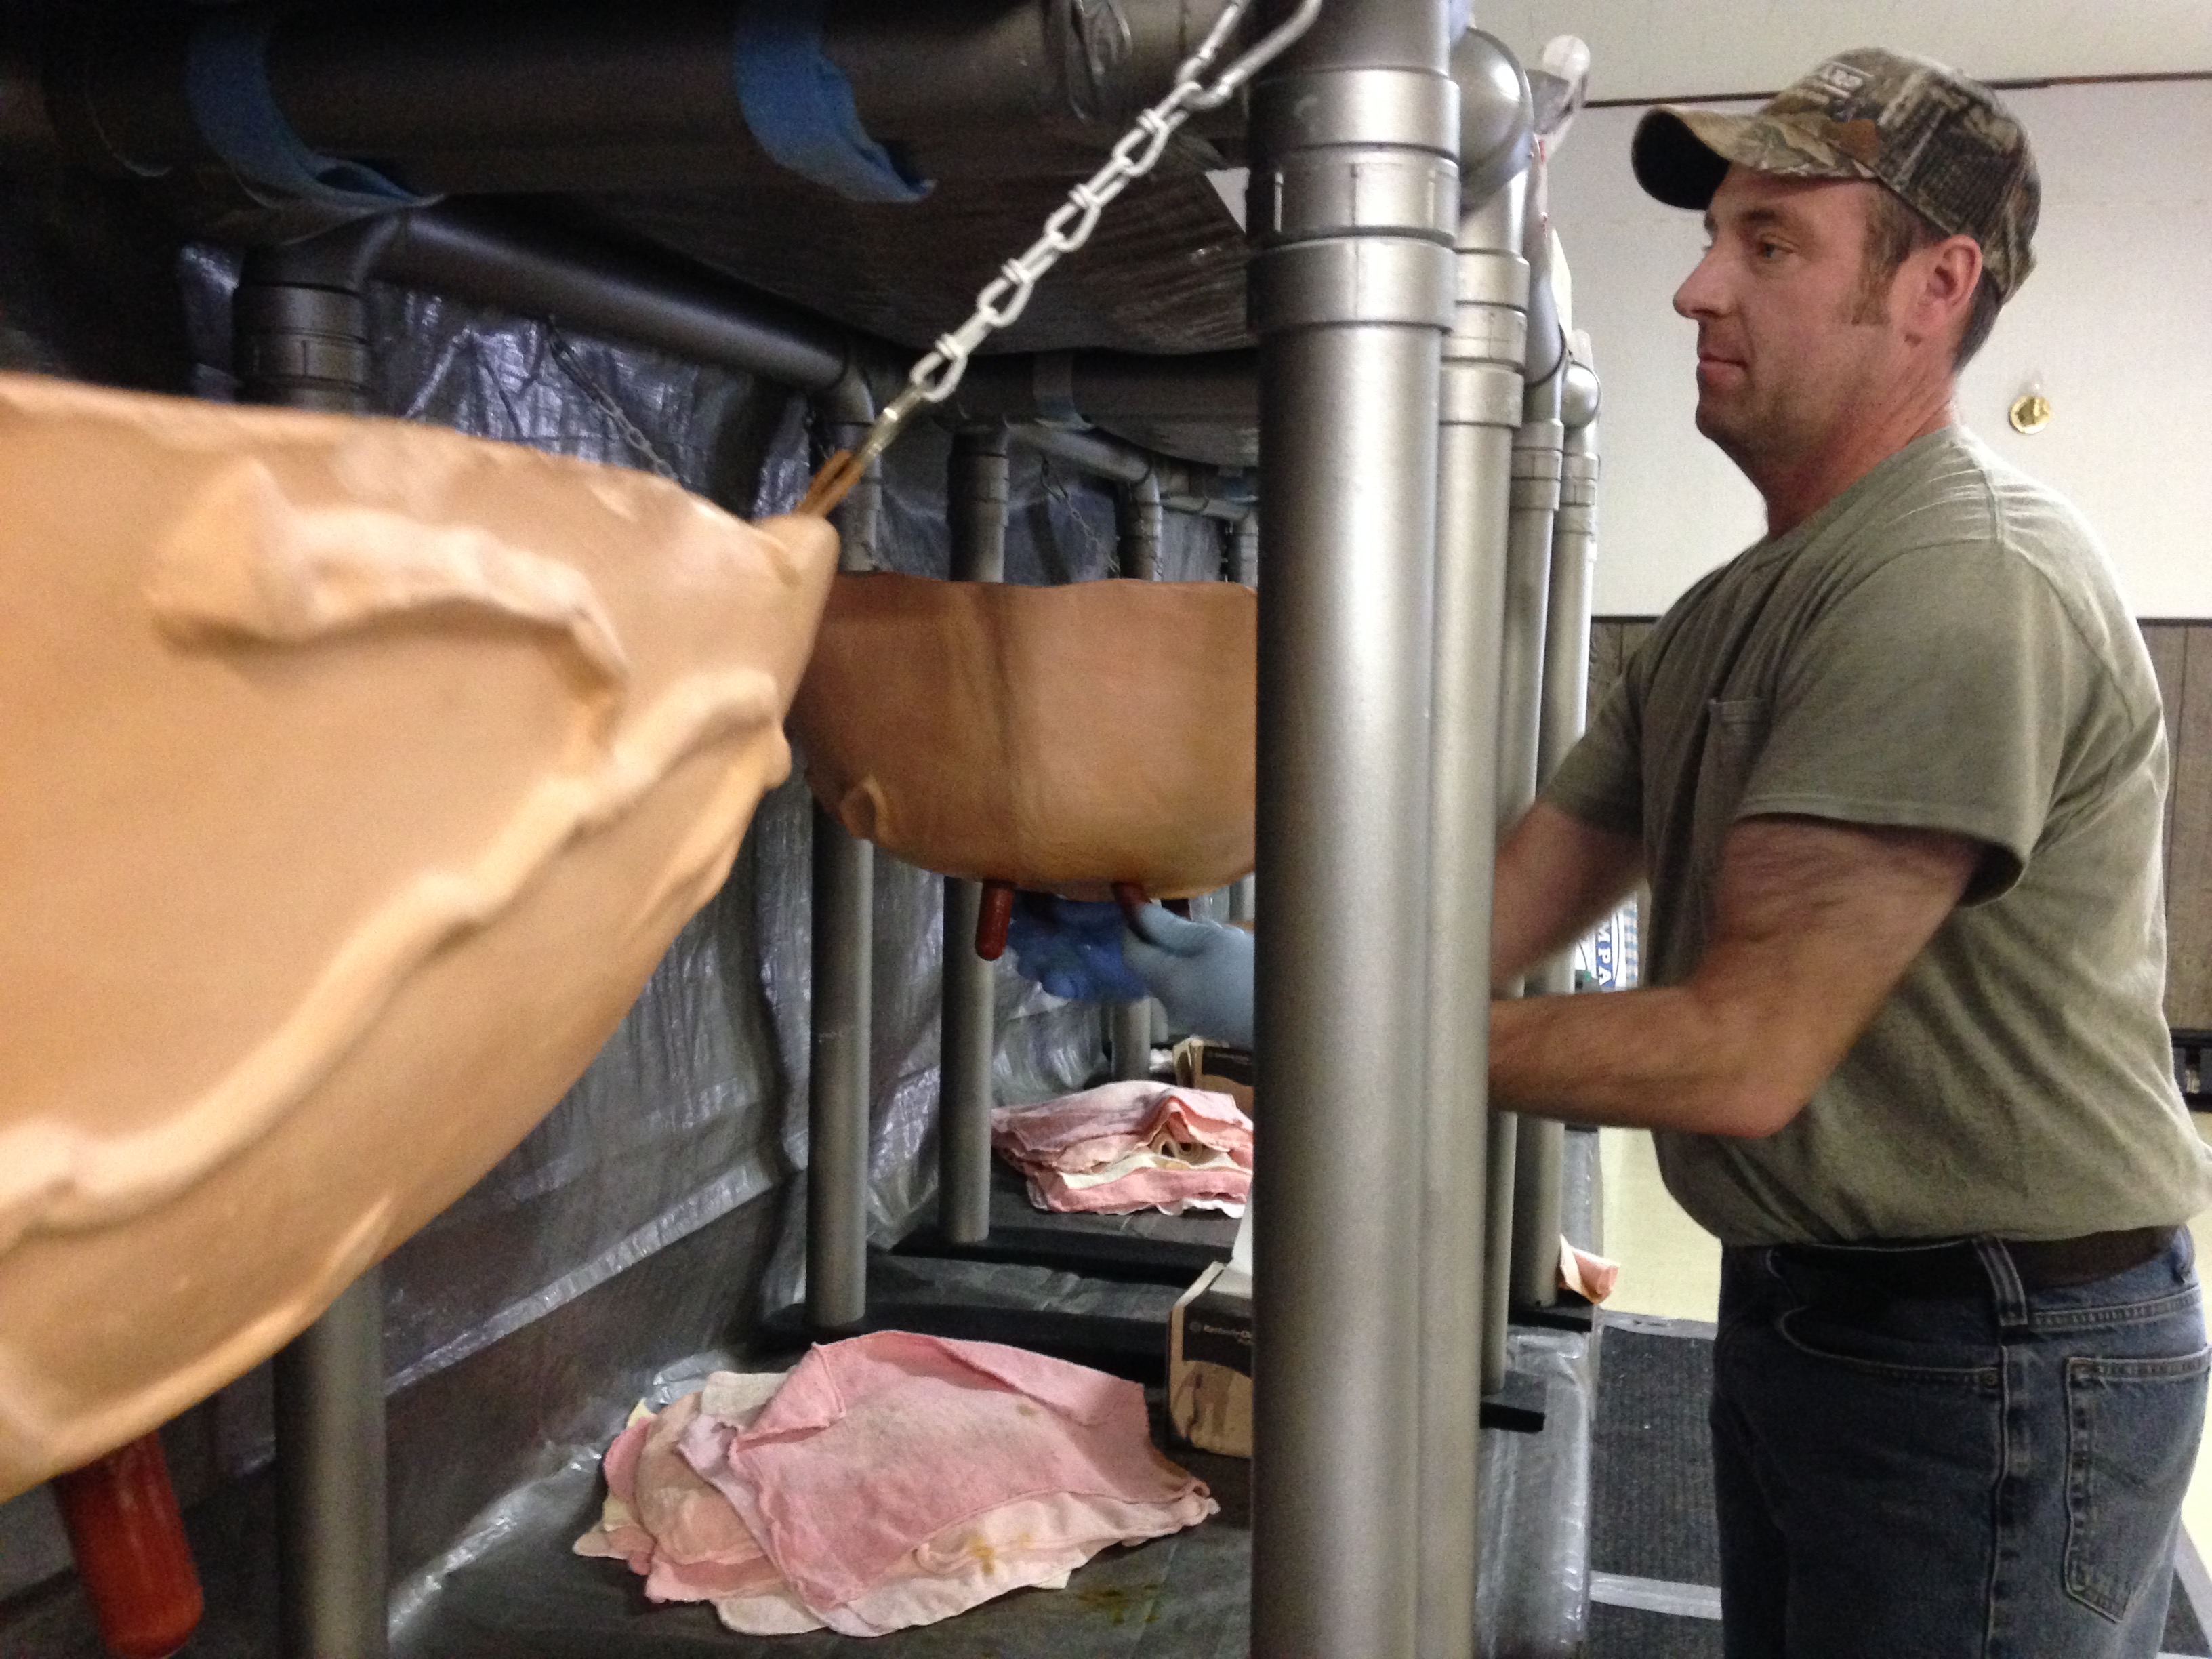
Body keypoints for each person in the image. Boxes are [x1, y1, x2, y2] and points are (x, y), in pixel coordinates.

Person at [1015, 46, 2212, 1658]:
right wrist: (1244, 953)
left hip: (1994, 1348)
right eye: (1714, 236)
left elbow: (1738, 1055)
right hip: (1828, 1306)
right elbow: (1497, 912)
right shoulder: (1735, 609)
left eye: (1772, 246)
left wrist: (1327, 1032)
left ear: (1938, 285)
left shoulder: (1957, 582)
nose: (1698, 291)